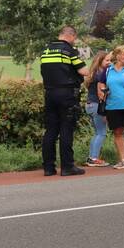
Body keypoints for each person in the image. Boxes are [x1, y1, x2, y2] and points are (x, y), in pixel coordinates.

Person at [40, 26, 89, 176]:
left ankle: (48, 168)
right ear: (72, 36)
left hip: (50, 94)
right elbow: (83, 71)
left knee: (51, 131)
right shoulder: (69, 51)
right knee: (66, 130)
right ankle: (67, 166)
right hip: (67, 94)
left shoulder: (46, 50)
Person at [84, 50, 112, 167]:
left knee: (97, 133)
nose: (109, 63)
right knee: (101, 133)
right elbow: (101, 94)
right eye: (107, 60)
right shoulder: (100, 76)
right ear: (100, 61)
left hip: (89, 105)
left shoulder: (92, 73)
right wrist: (105, 111)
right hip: (97, 105)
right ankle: (94, 158)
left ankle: (91, 157)